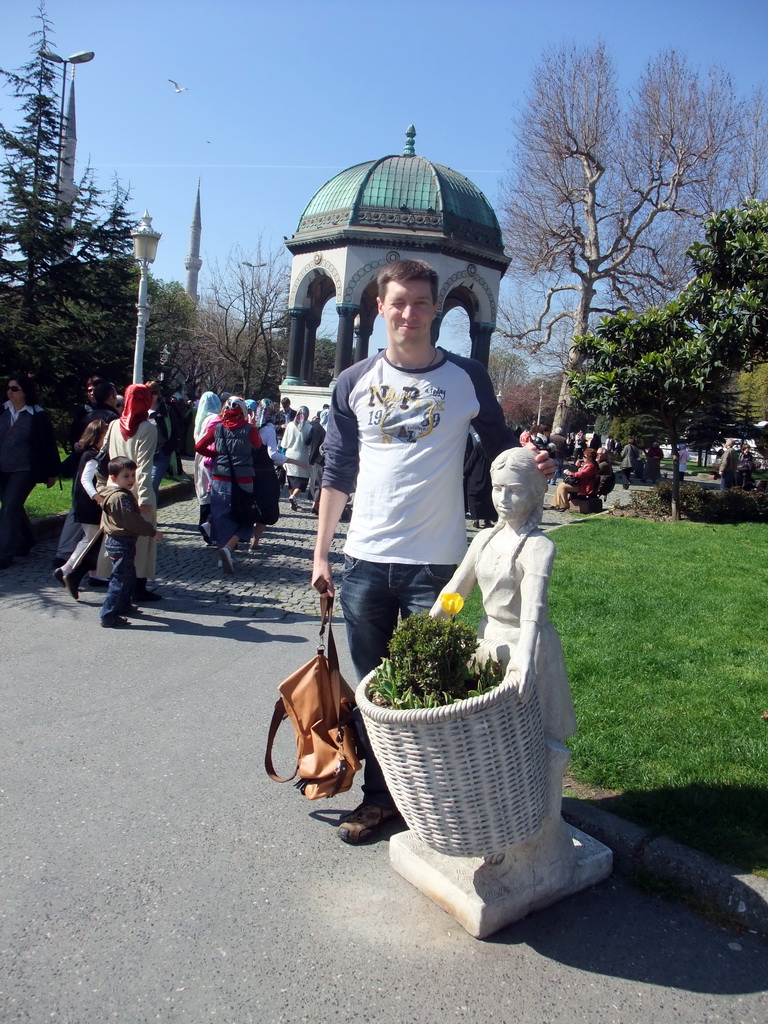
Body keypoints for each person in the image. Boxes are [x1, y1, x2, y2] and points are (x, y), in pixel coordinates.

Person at [311, 258, 553, 845]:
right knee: (374, 691)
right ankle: (380, 798)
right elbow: (338, 473)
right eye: (399, 302)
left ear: (437, 312)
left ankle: (436, 799)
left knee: (431, 690)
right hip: (365, 562)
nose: (410, 313)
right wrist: (321, 555)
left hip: (438, 567)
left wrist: (535, 462)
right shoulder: (352, 382)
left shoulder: (467, 379)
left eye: (422, 303)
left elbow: (500, 448)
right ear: (378, 307)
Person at [430, 447, 576, 743]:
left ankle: (540, 788)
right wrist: (435, 621)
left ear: (536, 493)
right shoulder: (485, 539)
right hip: (488, 639)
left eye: (515, 491)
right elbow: (458, 588)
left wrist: (525, 654)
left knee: (532, 733)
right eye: (498, 488)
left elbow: (533, 608)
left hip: (526, 644)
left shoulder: (538, 547)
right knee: (489, 735)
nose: (503, 499)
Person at [97, 383, 161, 601]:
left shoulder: (114, 425)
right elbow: (144, 466)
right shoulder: (148, 429)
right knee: (142, 542)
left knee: (113, 534)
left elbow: (104, 458)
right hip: (135, 489)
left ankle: (107, 579)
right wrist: (143, 497)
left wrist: (103, 489)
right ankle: (138, 588)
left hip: (114, 490)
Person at [194, 396, 264, 575]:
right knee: (246, 516)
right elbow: (258, 446)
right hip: (243, 480)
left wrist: (216, 454)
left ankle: (220, 550)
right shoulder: (250, 429)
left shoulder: (218, 428)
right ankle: (228, 549)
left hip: (220, 479)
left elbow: (199, 446)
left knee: (221, 516)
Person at [0, 373, 60, 570]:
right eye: (8, 388)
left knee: (9, 506)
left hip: (25, 469)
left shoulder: (38, 415)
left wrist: (51, 472)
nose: (10, 392)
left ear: (25, 392)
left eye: (14, 389)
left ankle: (4, 554)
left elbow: (48, 445)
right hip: (2, 468)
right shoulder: (2, 410)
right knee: (12, 505)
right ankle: (27, 538)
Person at [99, 456, 163, 628]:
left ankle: (123, 604)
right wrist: (152, 532)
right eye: (125, 476)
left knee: (128, 576)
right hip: (121, 542)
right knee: (120, 579)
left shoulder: (115, 495)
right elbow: (131, 520)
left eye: (133, 475)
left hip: (119, 541)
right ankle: (108, 614)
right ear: (113, 478)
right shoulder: (120, 498)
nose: (131, 480)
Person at [53, 419, 108, 599]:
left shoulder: (89, 454)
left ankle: (95, 573)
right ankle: (65, 570)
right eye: (105, 435)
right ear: (98, 436)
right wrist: (96, 496)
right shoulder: (92, 456)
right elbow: (86, 480)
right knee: (90, 540)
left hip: (84, 504)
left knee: (93, 540)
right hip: (88, 506)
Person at [193, 392, 222, 543]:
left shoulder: (200, 419)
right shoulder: (215, 419)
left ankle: (205, 526)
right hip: (210, 458)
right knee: (212, 494)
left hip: (200, 457)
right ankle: (208, 526)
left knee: (204, 493)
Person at [147, 381, 182, 498]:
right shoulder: (140, 410)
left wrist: (165, 451)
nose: (151, 395)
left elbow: (177, 432)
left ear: (158, 393)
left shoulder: (166, 410)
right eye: (148, 392)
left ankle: (149, 513)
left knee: (151, 485)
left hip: (159, 454)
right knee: (141, 486)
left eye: (154, 392)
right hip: (143, 454)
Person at [282, 405, 312, 511]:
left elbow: (284, 442)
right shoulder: (309, 427)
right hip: (302, 455)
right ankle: (293, 497)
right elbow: (310, 444)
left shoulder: (290, 425)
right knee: (302, 481)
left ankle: (292, 499)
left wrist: (282, 455)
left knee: (291, 480)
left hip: (289, 454)